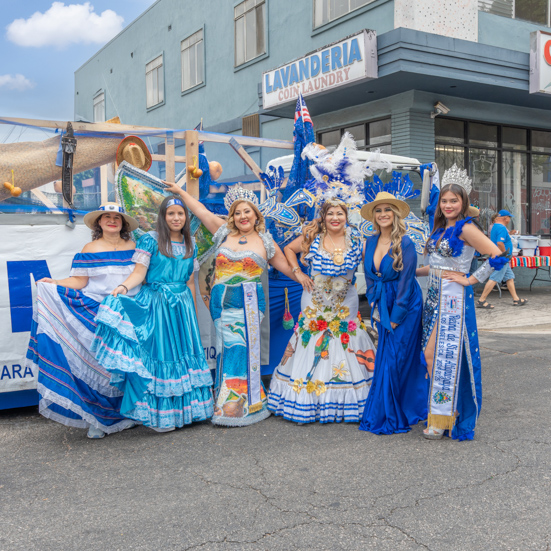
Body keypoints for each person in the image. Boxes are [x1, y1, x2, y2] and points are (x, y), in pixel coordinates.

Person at [163, 181, 297, 427]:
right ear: (232, 217)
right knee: (228, 350)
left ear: (256, 215)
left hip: (249, 302)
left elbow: (289, 270)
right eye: (237, 212)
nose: (242, 216)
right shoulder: (223, 232)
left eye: (247, 211)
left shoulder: (266, 241)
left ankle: (246, 404)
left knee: (243, 351)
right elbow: (201, 211)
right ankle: (227, 402)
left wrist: (311, 274)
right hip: (221, 303)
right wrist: (180, 192)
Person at [91, 196, 214, 432]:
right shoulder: (150, 240)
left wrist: (193, 317)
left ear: (186, 217)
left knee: (184, 355)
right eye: (171, 214)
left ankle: (188, 413)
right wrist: (124, 288)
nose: (176, 218)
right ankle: (160, 416)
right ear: (163, 217)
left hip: (182, 308)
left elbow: (189, 282)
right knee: (161, 355)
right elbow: (139, 273)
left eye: (180, 214)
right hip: (158, 305)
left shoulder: (192, 244)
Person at [27, 203, 140, 439]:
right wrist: (54, 283)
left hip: (130, 313)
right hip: (99, 312)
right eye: (106, 217)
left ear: (123, 223)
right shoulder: (90, 248)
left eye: (116, 217)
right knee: (99, 366)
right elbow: (79, 282)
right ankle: (98, 419)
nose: (111, 220)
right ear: (98, 223)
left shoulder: (135, 246)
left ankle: (128, 413)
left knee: (126, 367)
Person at [416, 172, 507, 441]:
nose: (448, 205)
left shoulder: (467, 229)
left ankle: (446, 415)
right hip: (433, 296)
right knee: (431, 355)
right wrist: (409, 271)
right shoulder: (440, 229)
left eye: (453, 201)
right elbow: (436, 265)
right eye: (444, 200)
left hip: (453, 299)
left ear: (463, 202)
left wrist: (469, 279)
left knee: (439, 356)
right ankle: (440, 411)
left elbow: (497, 255)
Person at [267, 201, 375, 423]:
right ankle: (310, 399)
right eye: (330, 214)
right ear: (323, 217)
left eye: (340, 213)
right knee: (312, 341)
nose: (335, 217)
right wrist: (298, 273)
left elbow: (374, 261)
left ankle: (347, 399)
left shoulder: (356, 240)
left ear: (347, 216)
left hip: (346, 301)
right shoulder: (312, 238)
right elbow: (288, 248)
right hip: (314, 299)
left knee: (346, 340)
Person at [358, 192, 428, 435]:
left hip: (405, 305)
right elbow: (369, 277)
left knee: (396, 357)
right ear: (374, 216)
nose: (383, 214)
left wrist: (396, 316)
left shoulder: (405, 243)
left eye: (388, 209)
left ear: (395, 214)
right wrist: (375, 304)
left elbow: (406, 283)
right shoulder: (369, 241)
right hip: (382, 304)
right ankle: (393, 405)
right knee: (387, 355)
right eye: (379, 210)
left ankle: (401, 409)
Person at [476, 209, 526, 308]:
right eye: (509, 218)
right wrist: (504, 254)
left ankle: (516, 299)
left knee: (509, 277)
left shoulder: (494, 226)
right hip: (501, 257)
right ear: (505, 218)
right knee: (495, 278)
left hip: (499, 256)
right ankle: (481, 300)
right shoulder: (502, 228)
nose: (509, 220)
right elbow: (500, 242)